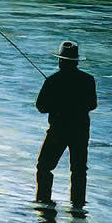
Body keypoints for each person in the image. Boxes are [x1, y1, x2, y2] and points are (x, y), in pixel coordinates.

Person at [35, 41, 97, 205]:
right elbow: (92, 104)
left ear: (60, 61)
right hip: (80, 131)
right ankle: (78, 208)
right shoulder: (88, 80)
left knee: (44, 167)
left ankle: (44, 204)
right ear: (76, 61)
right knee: (78, 171)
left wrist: (58, 104)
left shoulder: (52, 80)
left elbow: (41, 107)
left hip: (58, 131)